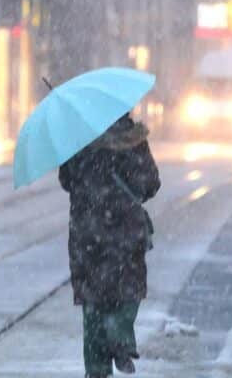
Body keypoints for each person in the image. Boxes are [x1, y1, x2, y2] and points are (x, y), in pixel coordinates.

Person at [58, 113, 160, 377]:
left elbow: (66, 180)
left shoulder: (78, 139)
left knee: (93, 307)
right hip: (126, 233)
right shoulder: (133, 138)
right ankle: (120, 331)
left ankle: (97, 370)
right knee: (128, 291)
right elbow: (151, 183)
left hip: (88, 235)